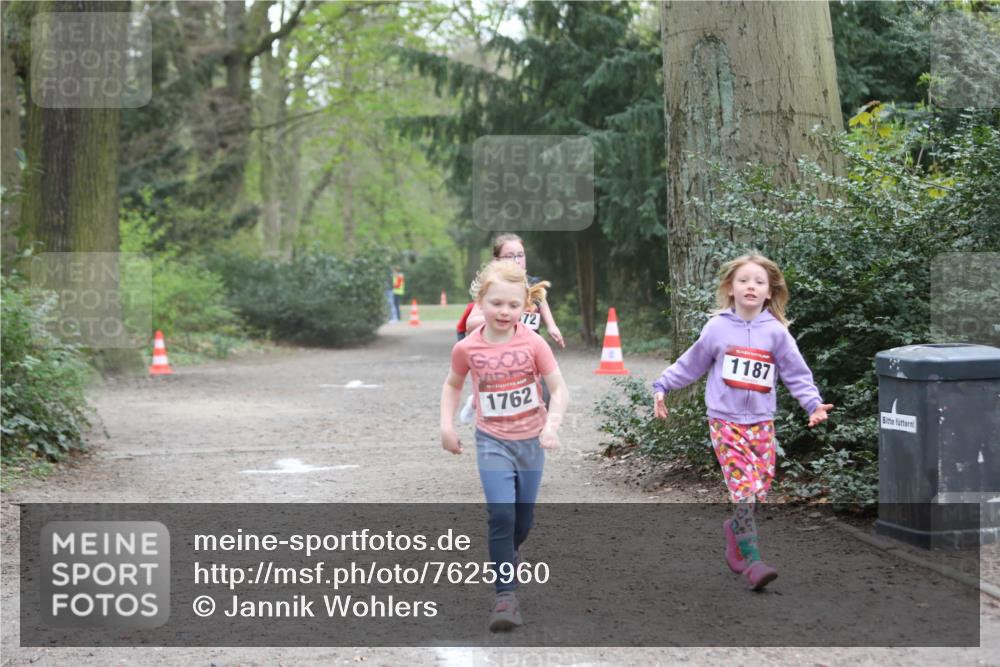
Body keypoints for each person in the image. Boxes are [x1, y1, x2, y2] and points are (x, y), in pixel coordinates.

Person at [652, 253, 833, 591]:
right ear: (731, 289)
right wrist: (662, 386)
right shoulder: (717, 327)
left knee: (760, 488)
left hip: (762, 421)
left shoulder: (776, 333)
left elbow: (795, 372)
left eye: (759, 282)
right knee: (743, 490)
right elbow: (691, 363)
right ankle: (754, 563)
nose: (751, 286)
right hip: (725, 422)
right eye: (744, 280)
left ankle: (735, 531)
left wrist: (812, 404)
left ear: (769, 292)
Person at [440, 260, 569, 631]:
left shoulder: (534, 343)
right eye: (496, 303)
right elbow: (452, 385)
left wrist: (552, 426)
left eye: (513, 305)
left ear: (526, 308)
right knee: (501, 513)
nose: (504, 311)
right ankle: (505, 598)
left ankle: (510, 551)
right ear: (480, 302)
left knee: (522, 519)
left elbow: (559, 390)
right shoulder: (468, 348)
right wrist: (447, 426)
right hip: (492, 440)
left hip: (530, 441)